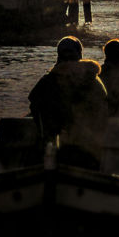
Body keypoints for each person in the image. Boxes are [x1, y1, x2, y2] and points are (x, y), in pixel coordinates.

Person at [28, 36, 108, 164]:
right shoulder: (94, 80)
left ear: (59, 56)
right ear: (79, 54)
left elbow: (35, 104)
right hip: (91, 147)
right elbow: (103, 110)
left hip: (58, 147)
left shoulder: (49, 80)